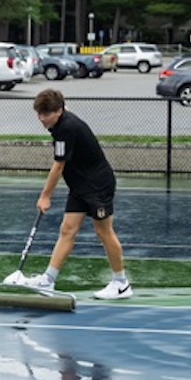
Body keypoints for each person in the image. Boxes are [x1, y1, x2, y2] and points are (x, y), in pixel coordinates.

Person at [22, 88, 132, 299]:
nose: (41, 119)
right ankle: (48, 280)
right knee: (67, 230)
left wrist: (45, 195)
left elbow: (58, 166)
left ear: (59, 111)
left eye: (46, 114)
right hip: (80, 186)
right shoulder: (60, 122)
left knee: (104, 232)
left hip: (97, 186)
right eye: (39, 114)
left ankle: (121, 284)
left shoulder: (67, 128)